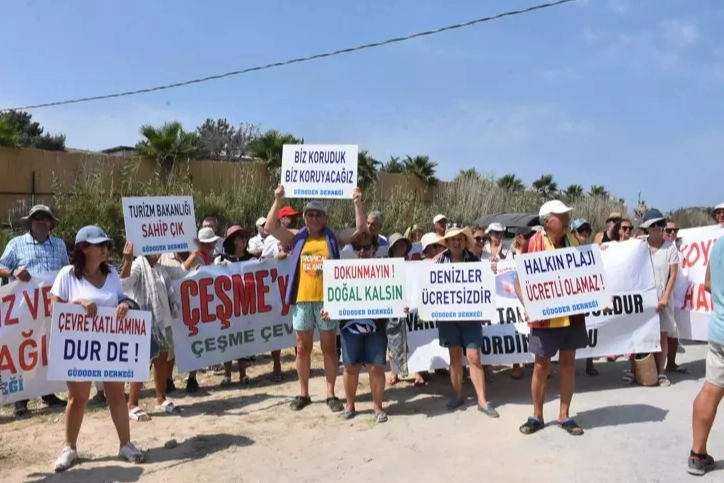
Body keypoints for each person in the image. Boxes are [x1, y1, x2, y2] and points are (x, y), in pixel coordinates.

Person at [50, 226, 145, 472]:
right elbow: (54, 309)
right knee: (77, 399)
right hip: (80, 349)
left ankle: (126, 444)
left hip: (109, 350)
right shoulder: (66, 275)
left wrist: (124, 304)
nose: (105, 249)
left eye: (106, 244)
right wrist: (78, 302)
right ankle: (69, 448)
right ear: (83, 248)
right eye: (99, 245)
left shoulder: (112, 273)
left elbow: (120, 297)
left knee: (117, 398)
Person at [264, 185, 364, 412]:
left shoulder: (334, 237)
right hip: (302, 300)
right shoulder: (296, 236)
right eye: (310, 214)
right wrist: (278, 200)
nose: (314, 218)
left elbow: (359, 231)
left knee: (329, 348)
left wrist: (357, 203)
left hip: (327, 302)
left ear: (325, 218)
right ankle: (304, 393)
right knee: (302, 348)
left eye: (319, 214)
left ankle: (330, 393)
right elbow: (270, 227)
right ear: (305, 216)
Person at [516, 200, 587, 436]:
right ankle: (537, 415)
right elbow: (519, 282)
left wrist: (597, 296)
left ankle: (564, 416)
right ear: (547, 221)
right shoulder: (531, 245)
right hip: (544, 319)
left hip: (572, 316)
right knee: (541, 366)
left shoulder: (575, 243)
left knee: (568, 365)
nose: (567, 218)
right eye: (561, 215)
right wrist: (528, 304)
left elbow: (587, 275)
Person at [0, 205, 69, 417]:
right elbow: (0, 266)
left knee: (47, 350)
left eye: (45, 218)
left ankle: (48, 393)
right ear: (30, 222)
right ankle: (21, 400)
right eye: (37, 218)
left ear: (51, 223)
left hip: (50, 308)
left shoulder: (59, 245)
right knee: (25, 350)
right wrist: (13, 272)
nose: (41, 221)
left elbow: (66, 272)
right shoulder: (16, 244)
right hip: (24, 310)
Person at [120, 241, 198, 420]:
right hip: (145, 322)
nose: (157, 252)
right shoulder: (139, 264)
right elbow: (124, 283)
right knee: (141, 364)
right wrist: (127, 260)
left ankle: (161, 398)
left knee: (162, 361)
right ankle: (132, 403)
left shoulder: (160, 268)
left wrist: (194, 255)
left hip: (163, 322)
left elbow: (179, 272)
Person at [322, 230, 389, 423]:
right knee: (350, 367)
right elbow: (335, 297)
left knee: (376, 368)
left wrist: (401, 305)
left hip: (376, 328)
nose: (362, 251)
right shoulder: (343, 272)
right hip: (349, 328)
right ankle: (350, 406)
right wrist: (329, 309)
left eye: (366, 247)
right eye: (358, 247)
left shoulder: (386, 271)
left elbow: (395, 295)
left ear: (375, 249)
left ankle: (378, 408)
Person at [435, 226, 498, 417]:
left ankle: (482, 401)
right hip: (448, 319)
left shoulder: (474, 260)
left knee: (474, 358)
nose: (456, 242)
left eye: (459, 239)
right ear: (447, 242)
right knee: (455, 358)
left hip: (470, 318)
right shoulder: (439, 263)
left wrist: (491, 271)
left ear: (464, 241)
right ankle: (458, 396)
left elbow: (484, 282)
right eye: (452, 239)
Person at [688, 236, 724, 476]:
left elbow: (709, 284)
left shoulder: (719, 244)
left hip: (720, 330)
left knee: (711, 389)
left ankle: (697, 455)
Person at [639, 209, 679, 387]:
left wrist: (664, 297)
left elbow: (673, 275)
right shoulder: (639, 246)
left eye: (659, 224)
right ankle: (635, 370)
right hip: (643, 299)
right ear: (646, 228)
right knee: (640, 336)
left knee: (662, 336)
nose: (656, 228)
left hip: (663, 299)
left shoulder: (670, 248)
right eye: (652, 225)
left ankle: (660, 372)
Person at [214, 225, 258, 385]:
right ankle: (227, 375)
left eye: (245, 237)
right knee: (227, 340)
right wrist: (218, 270)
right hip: (227, 307)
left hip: (244, 307)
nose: (244, 240)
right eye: (240, 238)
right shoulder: (220, 260)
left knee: (243, 341)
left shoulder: (252, 260)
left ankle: (243, 374)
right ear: (233, 241)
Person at [185, 226, 221, 393]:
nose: (213, 244)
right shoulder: (196, 258)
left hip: (202, 305)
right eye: (211, 242)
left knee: (198, 341)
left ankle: (192, 376)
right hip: (194, 306)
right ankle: (191, 377)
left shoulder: (205, 257)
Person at [384, 233, 421, 386]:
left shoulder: (413, 264)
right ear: (392, 248)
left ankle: (418, 371)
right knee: (392, 341)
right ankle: (395, 373)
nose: (401, 247)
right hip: (392, 309)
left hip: (411, 308)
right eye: (398, 244)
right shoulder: (385, 266)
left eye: (403, 244)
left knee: (415, 339)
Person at [570, 218, 599, 378]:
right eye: (581, 230)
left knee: (592, 327)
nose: (585, 233)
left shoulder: (593, 250)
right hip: (572, 298)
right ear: (573, 232)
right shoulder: (566, 250)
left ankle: (590, 362)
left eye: (588, 230)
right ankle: (570, 366)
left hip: (587, 296)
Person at [663, 221, 688, 375]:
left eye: (675, 230)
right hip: (666, 296)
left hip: (679, 299)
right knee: (663, 333)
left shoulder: (679, 248)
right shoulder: (661, 248)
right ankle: (657, 367)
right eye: (669, 230)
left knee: (674, 334)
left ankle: (671, 363)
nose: (672, 233)